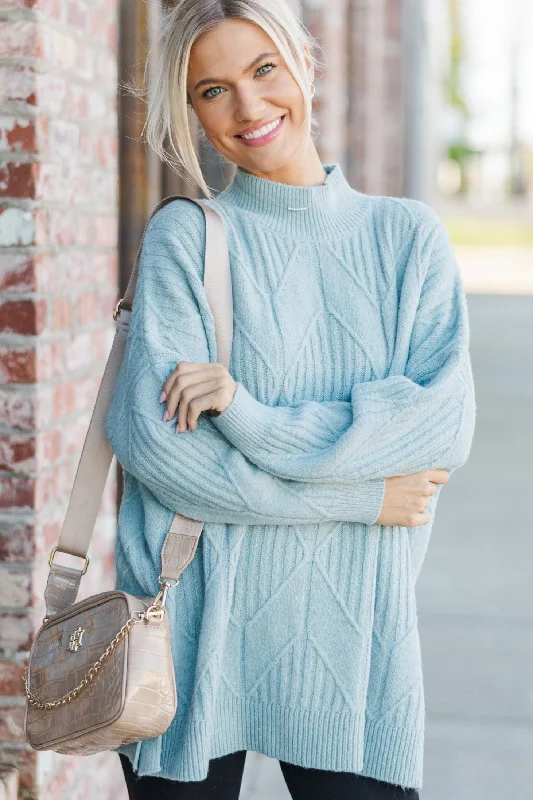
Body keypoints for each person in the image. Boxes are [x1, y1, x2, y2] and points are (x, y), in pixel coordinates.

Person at [104, 1, 476, 798]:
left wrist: (249, 418)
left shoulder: (406, 239)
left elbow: (438, 425)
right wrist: (365, 495)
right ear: (191, 113)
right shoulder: (187, 238)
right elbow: (162, 453)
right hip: (192, 637)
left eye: (263, 70)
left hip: (352, 643)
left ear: (305, 63)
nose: (247, 107)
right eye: (212, 90)